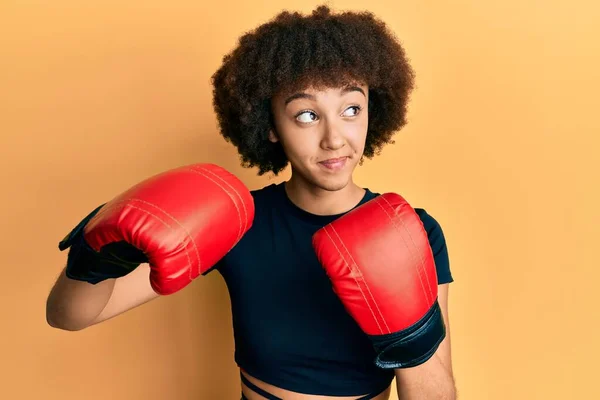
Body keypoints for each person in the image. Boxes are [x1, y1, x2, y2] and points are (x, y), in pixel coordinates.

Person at [46, 5, 456, 399]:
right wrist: (97, 252)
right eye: (307, 115)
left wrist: (410, 338)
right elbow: (68, 316)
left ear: (374, 111)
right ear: (271, 126)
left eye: (351, 109)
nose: (335, 138)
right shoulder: (238, 221)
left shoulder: (413, 232)